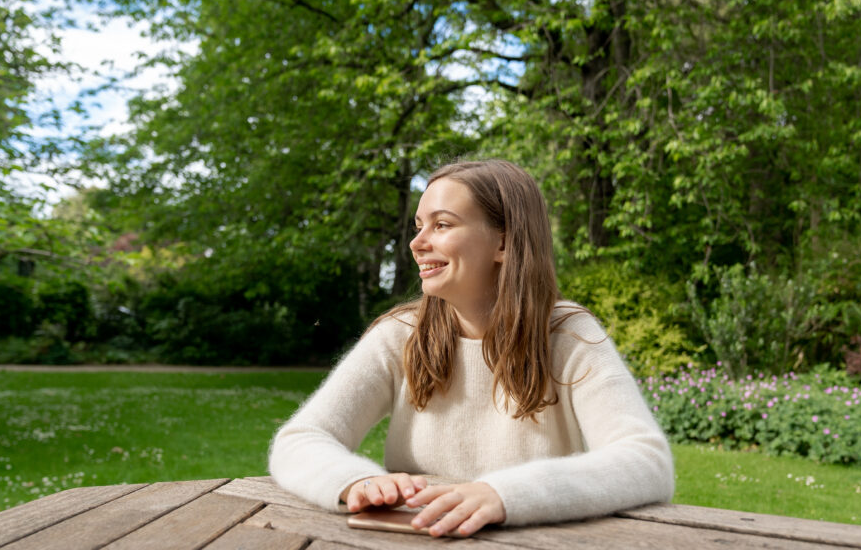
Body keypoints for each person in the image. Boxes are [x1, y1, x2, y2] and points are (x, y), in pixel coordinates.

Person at [269, 159, 673, 537]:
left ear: (504, 243)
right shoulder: (400, 335)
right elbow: (300, 439)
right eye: (418, 225)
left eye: (442, 225)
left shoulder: (569, 334)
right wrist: (356, 482)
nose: (417, 243)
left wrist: (503, 494)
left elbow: (646, 461)